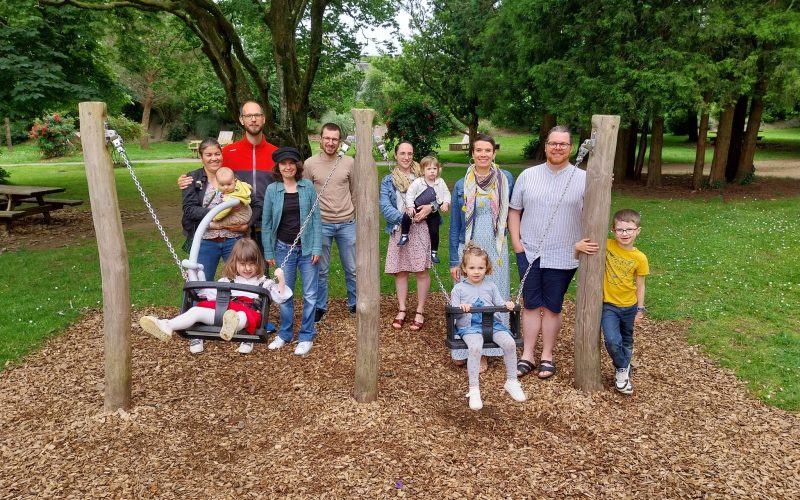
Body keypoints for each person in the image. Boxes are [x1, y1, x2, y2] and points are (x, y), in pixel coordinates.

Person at [508, 125, 585, 379]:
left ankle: (547, 356)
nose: (558, 148)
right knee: (530, 305)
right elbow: (514, 210)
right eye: (553, 143)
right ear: (546, 146)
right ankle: (527, 355)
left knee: (552, 306)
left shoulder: (583, 179)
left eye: (563, 144)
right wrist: (517, 244)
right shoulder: (528, 176)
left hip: (564, 254)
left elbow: (594, 214)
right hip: (529, 252)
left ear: (570, 148)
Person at [138, 238, 291, 354]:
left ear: (258, 263)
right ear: (234, 262)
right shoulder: (227, 280)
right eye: (243, 264)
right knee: (196, 311)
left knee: (240, 315)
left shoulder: (262, 282)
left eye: (251, 264)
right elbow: (204, 294)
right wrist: (193, 277)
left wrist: (281, 279)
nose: (247, 268)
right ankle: (167, 325)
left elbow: (280, 297)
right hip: (221, 312)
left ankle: (231, 325)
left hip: (247, 315)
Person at [448, 134, 514, 371]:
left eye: (488, 150)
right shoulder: (460, 184)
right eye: (479, 150)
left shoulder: (505, 179)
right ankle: (466, 347)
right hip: (470, 246)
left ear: (494, 153)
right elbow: (456, 224)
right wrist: (455, 260)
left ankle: (491, 347)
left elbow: (514, 213)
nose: (483, 154)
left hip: (496, 248)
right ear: (472, 153)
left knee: (492, 298)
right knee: (468, 300)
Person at [179, 101, 278, 248]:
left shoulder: (276, 154)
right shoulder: (227, 153)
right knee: (239, 269)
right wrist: (186, 180)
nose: (253, 119)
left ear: (264, 118)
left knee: (261, 270)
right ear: (241, 119)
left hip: (266, 223)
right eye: (249, 115)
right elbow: (209, 170)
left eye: (257, 115)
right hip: (237, 224)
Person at [574, 208, 649, 394]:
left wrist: (640, 309)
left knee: (626, 340)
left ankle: (622, 368)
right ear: (613, 231)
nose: (625, 234)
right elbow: (582, 257)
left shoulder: (640, 258)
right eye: (620, 230)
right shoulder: (607, 245)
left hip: (630, 306)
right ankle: (623, 370)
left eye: (629, 229)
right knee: (612, 339)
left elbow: (640, 286)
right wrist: (577, 248)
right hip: (609, 306)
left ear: (637, 230)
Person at [452, 243, 527, 410]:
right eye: (472, 267)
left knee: (509, 343)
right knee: (476, 347)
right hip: (470, 326)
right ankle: (474, 389)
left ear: (487, 268)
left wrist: (507, 304)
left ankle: (512, 381)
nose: (476, 271)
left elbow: (499, 303)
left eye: (480, 267)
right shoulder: (458, 289)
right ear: (464, 268)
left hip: (492, 324)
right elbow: (454, 315)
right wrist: (461, 308)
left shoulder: (491, 286)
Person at [262, 147, 322, 356]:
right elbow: (267, 222)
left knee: (310, 294)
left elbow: (316, 218)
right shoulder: (273, 190)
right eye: (283, 164)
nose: (288, 167)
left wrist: (316, 246)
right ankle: (285, 333)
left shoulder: (307, 187)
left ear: (297, 166)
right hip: (283, 248)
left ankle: (306, 336)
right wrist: (268, 251)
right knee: (284, 293)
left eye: (291, 163)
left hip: (306, 250)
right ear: (278, 167)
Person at [303, 123, 357, 321]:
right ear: (320, 138)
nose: (330, 143)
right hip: (321, 224)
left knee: (352, 268)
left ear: (339, 141)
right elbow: (306, 194)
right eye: (327, 138)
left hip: (347, 222)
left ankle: (355, 303)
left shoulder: (349, 162)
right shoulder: (310, 164)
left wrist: (353, 213)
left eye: (335, 139)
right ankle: (320, 306)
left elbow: (355, 190)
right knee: (321, 269)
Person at [379, 141, 433, 331]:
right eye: (402, 153)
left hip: (421, 228)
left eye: (410, 153)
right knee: (400, 270)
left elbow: (437, 196)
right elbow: (385, 207)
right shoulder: (388, 180)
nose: (406, 157)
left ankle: (419, 310)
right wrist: (405, 217)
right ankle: (402, 308)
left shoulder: (423, 176)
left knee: (420, 270)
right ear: (396, 155)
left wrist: (429, 207)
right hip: (399, 228)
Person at [398, 155, 450, 264]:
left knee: (434, 231)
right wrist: (411, 206)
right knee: (407, 216)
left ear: (438, 170)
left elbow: (446, 193)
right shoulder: (418, 181)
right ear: (423, 170)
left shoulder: (440, 182)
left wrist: (445, 203)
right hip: (417, 206)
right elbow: (410, 194)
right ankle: (404, 235)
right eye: (429, 169)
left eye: (434, 169)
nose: (432, 171)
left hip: (433, 211)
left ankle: (434, 252)